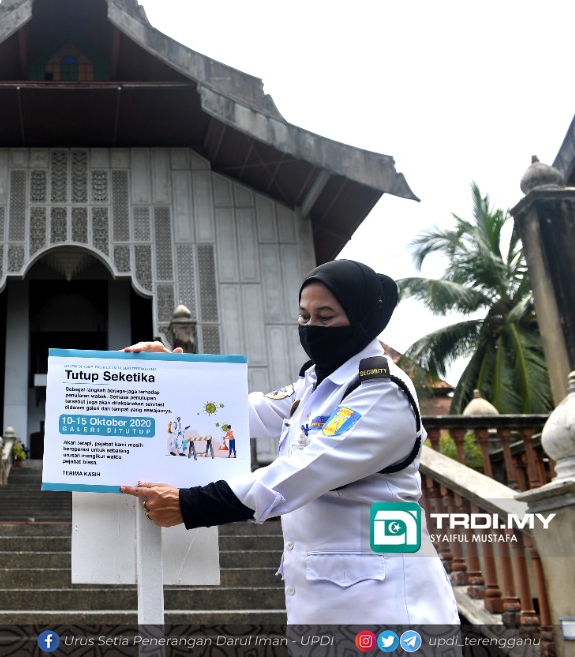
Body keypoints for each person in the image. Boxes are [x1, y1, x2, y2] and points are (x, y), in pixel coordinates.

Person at [120, 259, 458, 625]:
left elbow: (301, 472)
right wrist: (173, 376)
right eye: (304, 316)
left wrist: (193, 503)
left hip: (389, 606)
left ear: (361, 319)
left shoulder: (381, 391)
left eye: (325, 317)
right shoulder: (315, 385)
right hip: (324, 607)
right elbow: (240, 413)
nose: (312, 327)